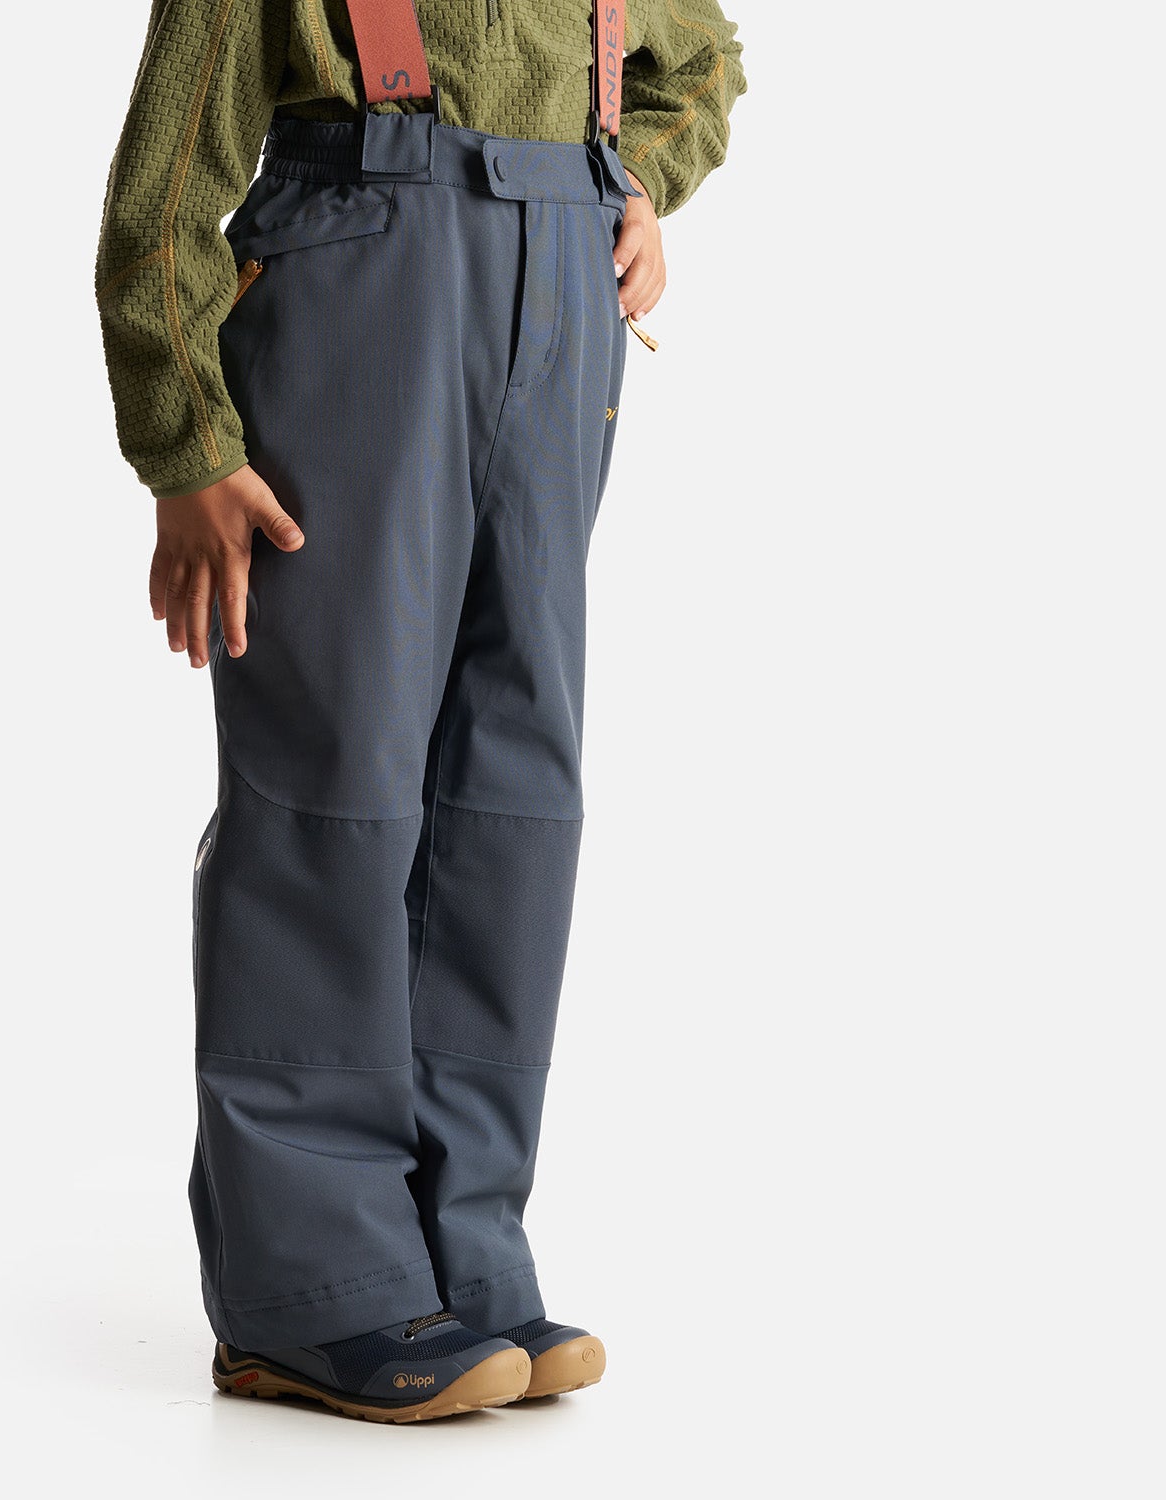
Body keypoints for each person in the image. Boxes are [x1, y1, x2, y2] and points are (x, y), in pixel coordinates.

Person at [96, 0, 745, 1423]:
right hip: (364, 279)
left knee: (515, 790)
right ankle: (311, 1286)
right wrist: (183, 441)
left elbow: (700, 58)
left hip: (562, 298)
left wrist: (636, 178)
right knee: (339, 774)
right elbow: (167, 179)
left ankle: (461, 1242)